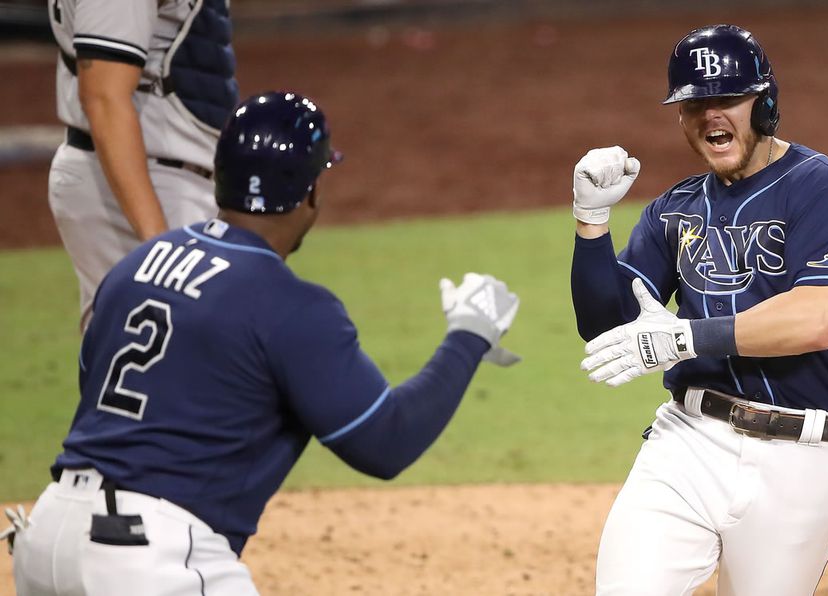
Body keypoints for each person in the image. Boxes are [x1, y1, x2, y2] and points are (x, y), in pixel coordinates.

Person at [5, 91, 520, 595]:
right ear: (310, 192)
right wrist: (469, 335)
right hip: (148, 562)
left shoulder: (135, 265)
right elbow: (386, 442)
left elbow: (93, 384)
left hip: (46, 537)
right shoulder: (290, 304)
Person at [570, 24, 828, 595]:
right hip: (687, 442)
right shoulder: (674, 209)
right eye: (694, 104)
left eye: (728, 99)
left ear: (765, 103)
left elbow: (818, 321)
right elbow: (607, 328)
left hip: (801, 460)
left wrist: (686, 338)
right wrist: (591, 224)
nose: (711, 115)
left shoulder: (825, 191)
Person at [47, 0, 239, 330]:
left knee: (155, 351)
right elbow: (104, 98)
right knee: (199, 347)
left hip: (154, 173)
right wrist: (161, 244)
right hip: (145, 180)